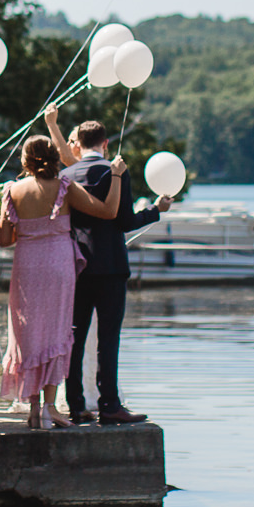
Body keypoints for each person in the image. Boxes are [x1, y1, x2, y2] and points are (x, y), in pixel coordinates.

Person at [0, 135, 119, 429]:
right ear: (54, 157)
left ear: (25, 160)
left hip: (27, 264)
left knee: (28, 333)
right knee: (55, 332)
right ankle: (51, 408)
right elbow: (108, 211)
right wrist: (115, 175)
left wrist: (27, 229)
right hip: (58, 265)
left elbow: (4, 240)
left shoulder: (12, 190)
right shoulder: (65, 188)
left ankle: (33, 409)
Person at [62, 120, 172, 426]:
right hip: (109, 266)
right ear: (105, 143)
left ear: (78, 144)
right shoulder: (115, 171)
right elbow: (124, 221)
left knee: (75, 336)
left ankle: (75, 405)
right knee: (108, 339)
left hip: (77, 265)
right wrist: (156, 210)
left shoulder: (65, 175)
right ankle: (109, 404)